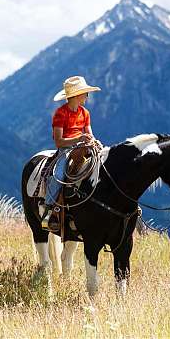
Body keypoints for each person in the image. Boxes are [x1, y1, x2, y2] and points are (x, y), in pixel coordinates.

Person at [42, 75, 101, 231]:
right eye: (85, 93)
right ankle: (49, 211)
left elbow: (89, 133)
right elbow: (59, 141)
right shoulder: (60, 114)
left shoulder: (85, 113)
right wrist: (78, 139)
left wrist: (94, 142)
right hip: (66, 150)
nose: (87, 97)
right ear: (77, 95)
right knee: (59, 176)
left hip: (83, 146)